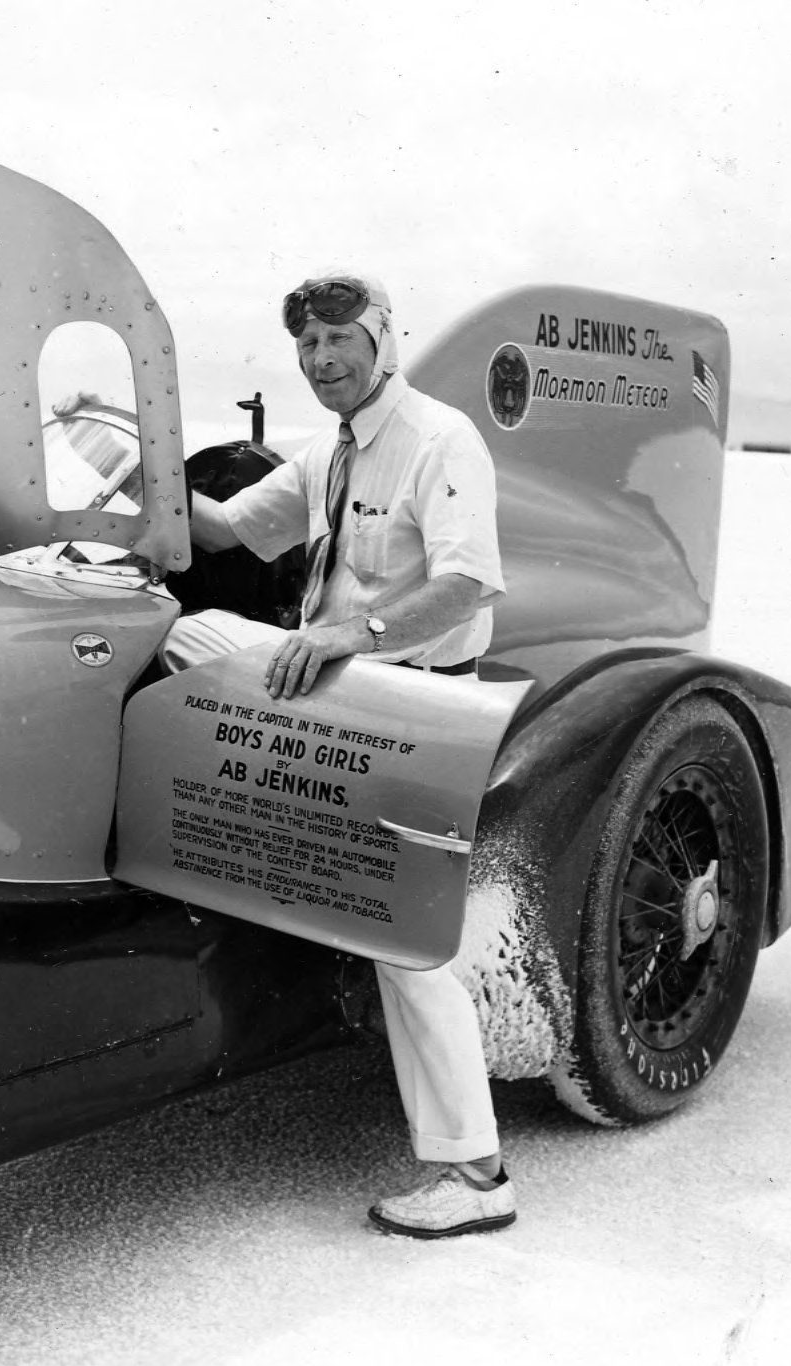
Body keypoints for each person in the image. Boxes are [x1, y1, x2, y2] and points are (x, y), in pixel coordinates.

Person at [174, 272, 516, 1238]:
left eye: (338, 343)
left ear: (381, 342)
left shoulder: (440, 440)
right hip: (340, 694)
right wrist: (129, 471)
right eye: (307, 350)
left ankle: (478, 1177)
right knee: (188, 636)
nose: (321, 363)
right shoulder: (328, 450)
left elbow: (470, 585)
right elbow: (236, 527)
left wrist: (347, 634)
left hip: (413, 699)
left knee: (403, 945)